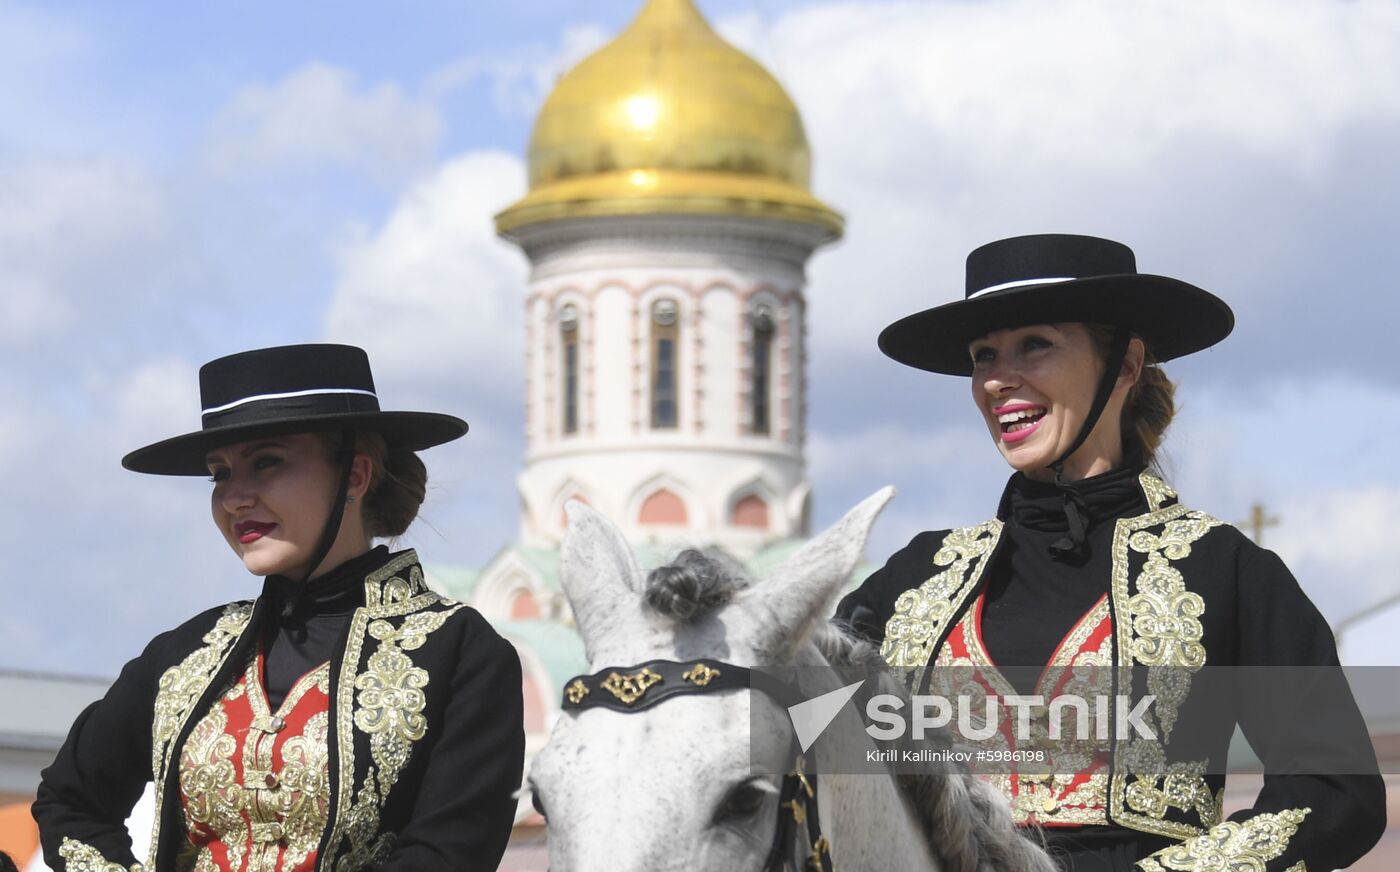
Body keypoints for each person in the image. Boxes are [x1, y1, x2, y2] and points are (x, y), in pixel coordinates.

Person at [836, 235, 1385, 871]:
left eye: (1034, 344)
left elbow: (1337, 790)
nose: (995, 379)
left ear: (1125, 364)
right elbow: (791, 727)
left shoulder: (1223, 570)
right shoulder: (915, 578)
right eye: (984, 355)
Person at [34, 344, 525, 872]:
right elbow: (70, 801)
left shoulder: (460, 654)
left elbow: (447, 855)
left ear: (355, 475)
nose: (234, 497)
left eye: (266, 462)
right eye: (219, 473)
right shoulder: (184, 654)